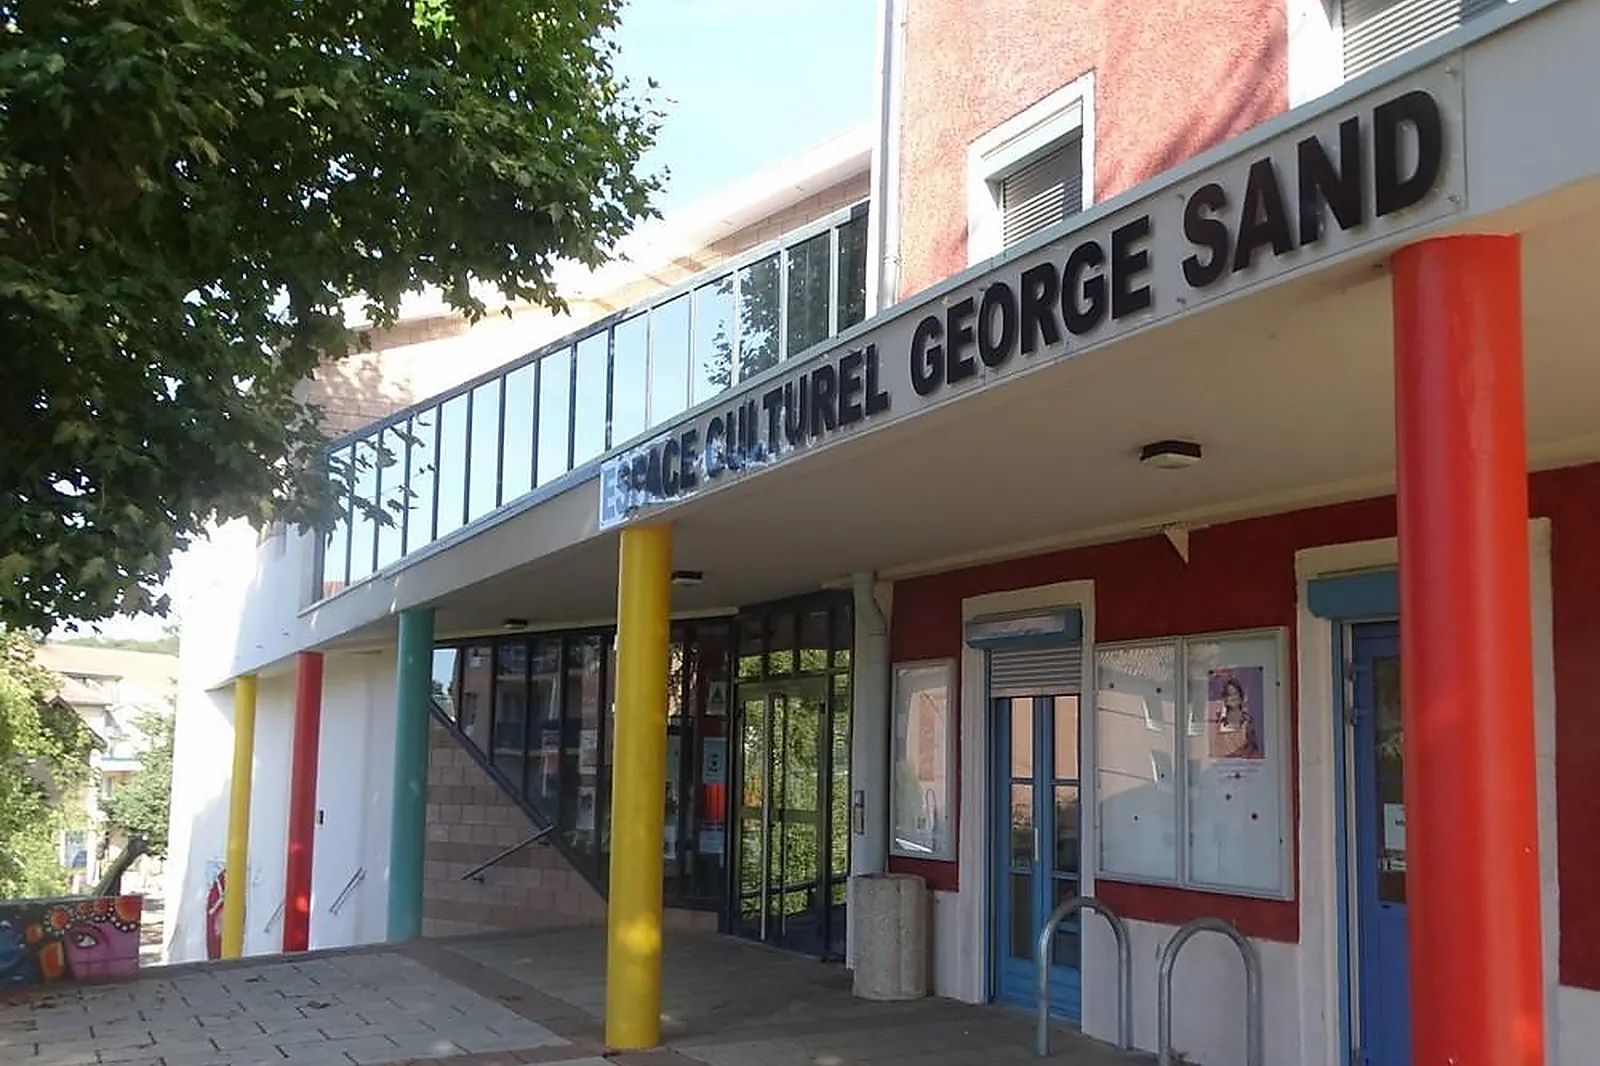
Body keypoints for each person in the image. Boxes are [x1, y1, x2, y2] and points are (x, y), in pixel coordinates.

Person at [1210, 675, 1262, 759]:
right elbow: (1214, 752)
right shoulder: (1218, 725)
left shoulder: (1248, 723)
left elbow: (1254, 749)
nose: (1232, 698)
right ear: (1225, 699)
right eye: (1229, 694)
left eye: (1235, 694)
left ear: (1241, 697)